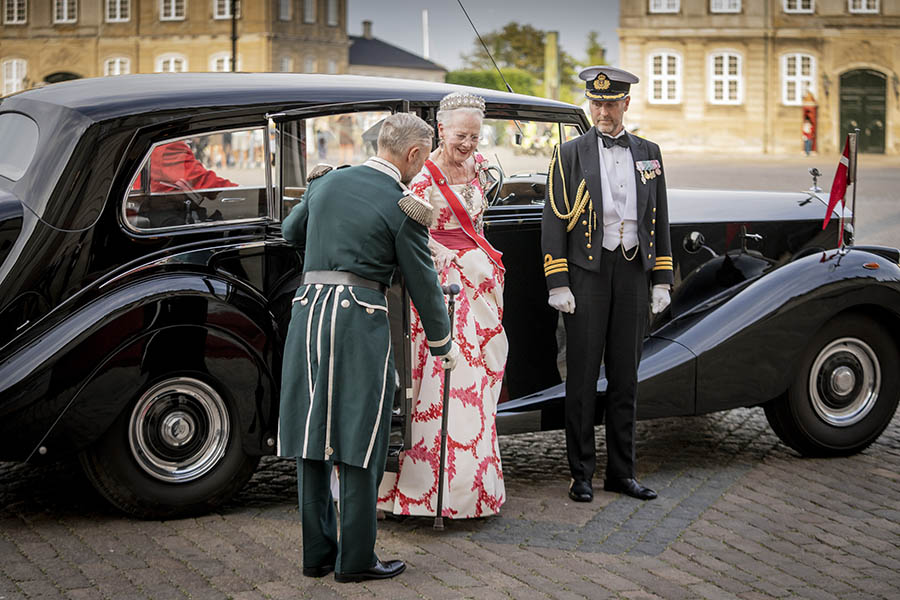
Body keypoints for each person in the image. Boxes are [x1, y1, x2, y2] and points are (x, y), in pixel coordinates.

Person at [278, 112, 459, 583]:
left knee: (311, 436)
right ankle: (356, 560)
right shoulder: (403, 205)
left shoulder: (327, 183)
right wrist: (443, 344)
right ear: (415, 154)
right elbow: (423, 285)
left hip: (307, 311)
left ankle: (316, 555)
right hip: (359, 320)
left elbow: (289, 233)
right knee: (361, 435)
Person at [541, 66, 674, 503]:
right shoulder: (568, 154)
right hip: (588, 274)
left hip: (634, 271)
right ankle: (580, 474)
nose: (602, 111)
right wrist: (558, 280)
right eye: (595, 103)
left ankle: (622, 472)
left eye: (610, 104)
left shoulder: (650, 152)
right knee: (580, 379)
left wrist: (662, 277)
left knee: (626, 378)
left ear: (626, 104)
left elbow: (661, 218)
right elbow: (553, 223)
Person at [377, 92, 507, 519]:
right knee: (453, 386)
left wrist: (481, 263)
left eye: (474, 135)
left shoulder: (480, 168)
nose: (468, 144)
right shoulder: (423, 178)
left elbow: (480, 224)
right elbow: (414, 237)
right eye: (460, 135)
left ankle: (473, 489)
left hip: (482, 288)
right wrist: (453, 259)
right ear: (441, 129)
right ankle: (433, 494)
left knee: (482, 387)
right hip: (446, 291)